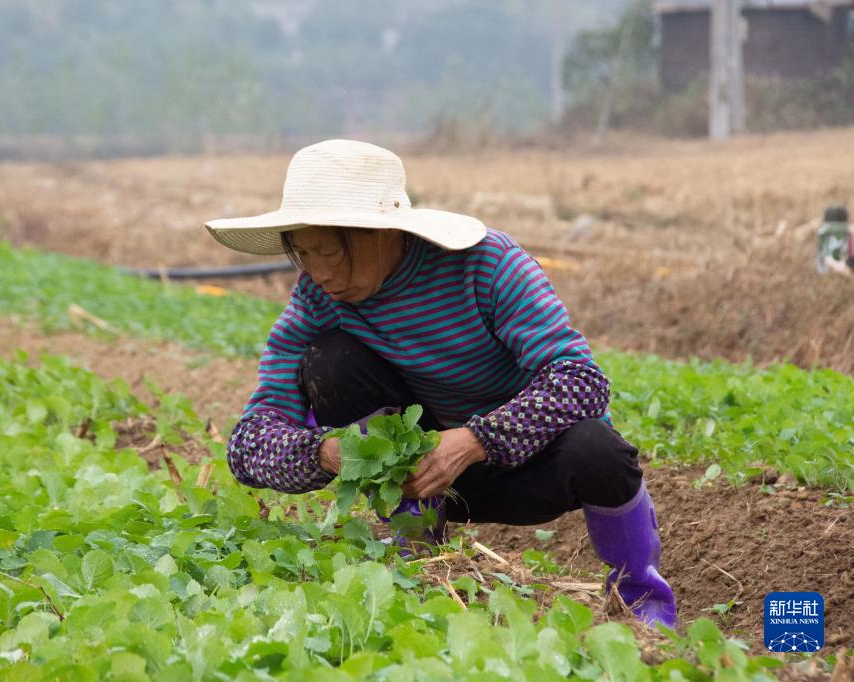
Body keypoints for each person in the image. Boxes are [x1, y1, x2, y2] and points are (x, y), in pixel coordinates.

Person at [204, 139, 676, 629]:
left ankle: (643, 600)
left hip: (528, 466)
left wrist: (473, 441)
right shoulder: (317, 301)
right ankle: (418, 551)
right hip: (423, 478)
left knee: (599, 450)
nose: (320, 272)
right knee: (330, 361)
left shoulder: (487, 265)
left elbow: (582, 383)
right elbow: (248, 443)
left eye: (330, 251)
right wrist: (327, 453)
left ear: (385, 233)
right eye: (304, 253)